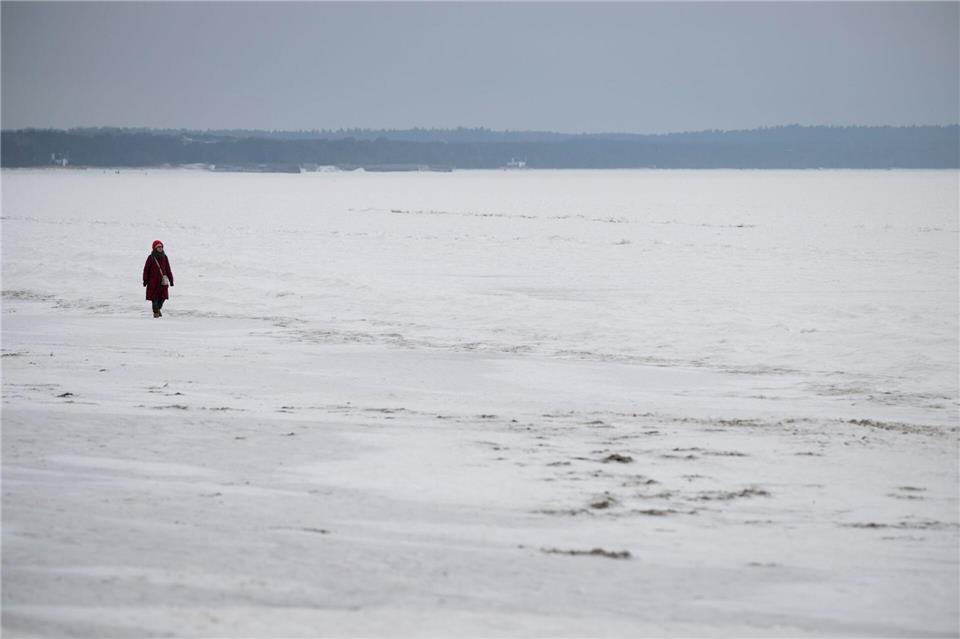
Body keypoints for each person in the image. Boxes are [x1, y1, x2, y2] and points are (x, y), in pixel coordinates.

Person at [143, 240, 174, 317]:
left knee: (163, 298)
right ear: (154, 248)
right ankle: (156, 312)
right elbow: (146, 269)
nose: (160, 248)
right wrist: (145, 280)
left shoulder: (165, 257)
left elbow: (168, 269)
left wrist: (171, 280)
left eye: (161, 247)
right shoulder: (150, 257)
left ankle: (158, 309)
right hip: (153, 282)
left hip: (162, 282)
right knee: (154, 298)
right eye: (158, 247)